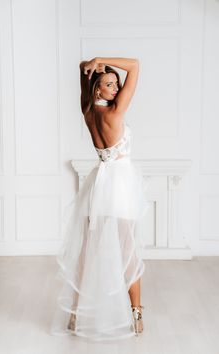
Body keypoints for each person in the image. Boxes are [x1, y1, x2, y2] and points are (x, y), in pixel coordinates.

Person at [50, 57, 150, 341]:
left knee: (86, 250)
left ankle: (76, 313)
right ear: (97, 90)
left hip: (98, 185)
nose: (116, 88)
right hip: (118, 185)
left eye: (117, 84)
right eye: (109, 84)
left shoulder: (88, 111)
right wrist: (102, 60)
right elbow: (135, 65)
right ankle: (136, 315)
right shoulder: (116, 114)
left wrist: (92, 66)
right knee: (127, 248)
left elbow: (82, 67)